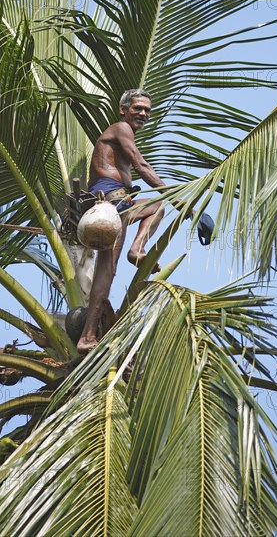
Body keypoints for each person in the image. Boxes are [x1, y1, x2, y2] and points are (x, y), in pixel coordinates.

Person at [77, 89, 171, 355]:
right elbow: (141, 165)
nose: (143, 113)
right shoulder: (120, 127)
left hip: (119, 203)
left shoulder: (122, 131)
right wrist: (176, 197)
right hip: (110, 201)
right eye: (138, 108)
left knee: (109, 271)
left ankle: (137, 249)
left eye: (147, 110)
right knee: (161, 203)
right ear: (123, 109)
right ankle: (86, 336)